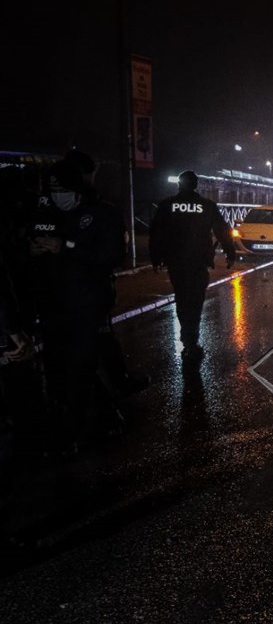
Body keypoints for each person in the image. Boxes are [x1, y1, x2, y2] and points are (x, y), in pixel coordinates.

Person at [27, 160, 128, 450]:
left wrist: (66, 248)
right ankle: (100, 416)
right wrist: (32, 250)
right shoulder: (47, 212)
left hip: (88, 303)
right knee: (57, 366)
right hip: (51, 303)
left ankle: (76, 431)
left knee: (80, 365)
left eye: (63, 188)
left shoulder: (101, 214)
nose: (57, 194)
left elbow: (111, 256)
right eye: (53, 188)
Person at [61, 149, 149, 397]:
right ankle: (105, 401)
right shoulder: (99, 211)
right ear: (90, 175)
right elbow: (112, 256)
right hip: (87, 291)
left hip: (68, 292)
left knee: (91, 342)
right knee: (93, 343)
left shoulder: (79, 209)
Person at [148, 170, 237, 360]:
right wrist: (231, 254)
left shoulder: (167, 205)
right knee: (195, 302)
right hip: (198, 262)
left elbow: (155, 233)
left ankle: (187, 340)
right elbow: (222, 231)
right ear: (196, 185)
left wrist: (155, 258)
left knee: (182, 299)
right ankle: (191, 342)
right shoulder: (207, 206)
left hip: (176, 261)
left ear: (179, 185)